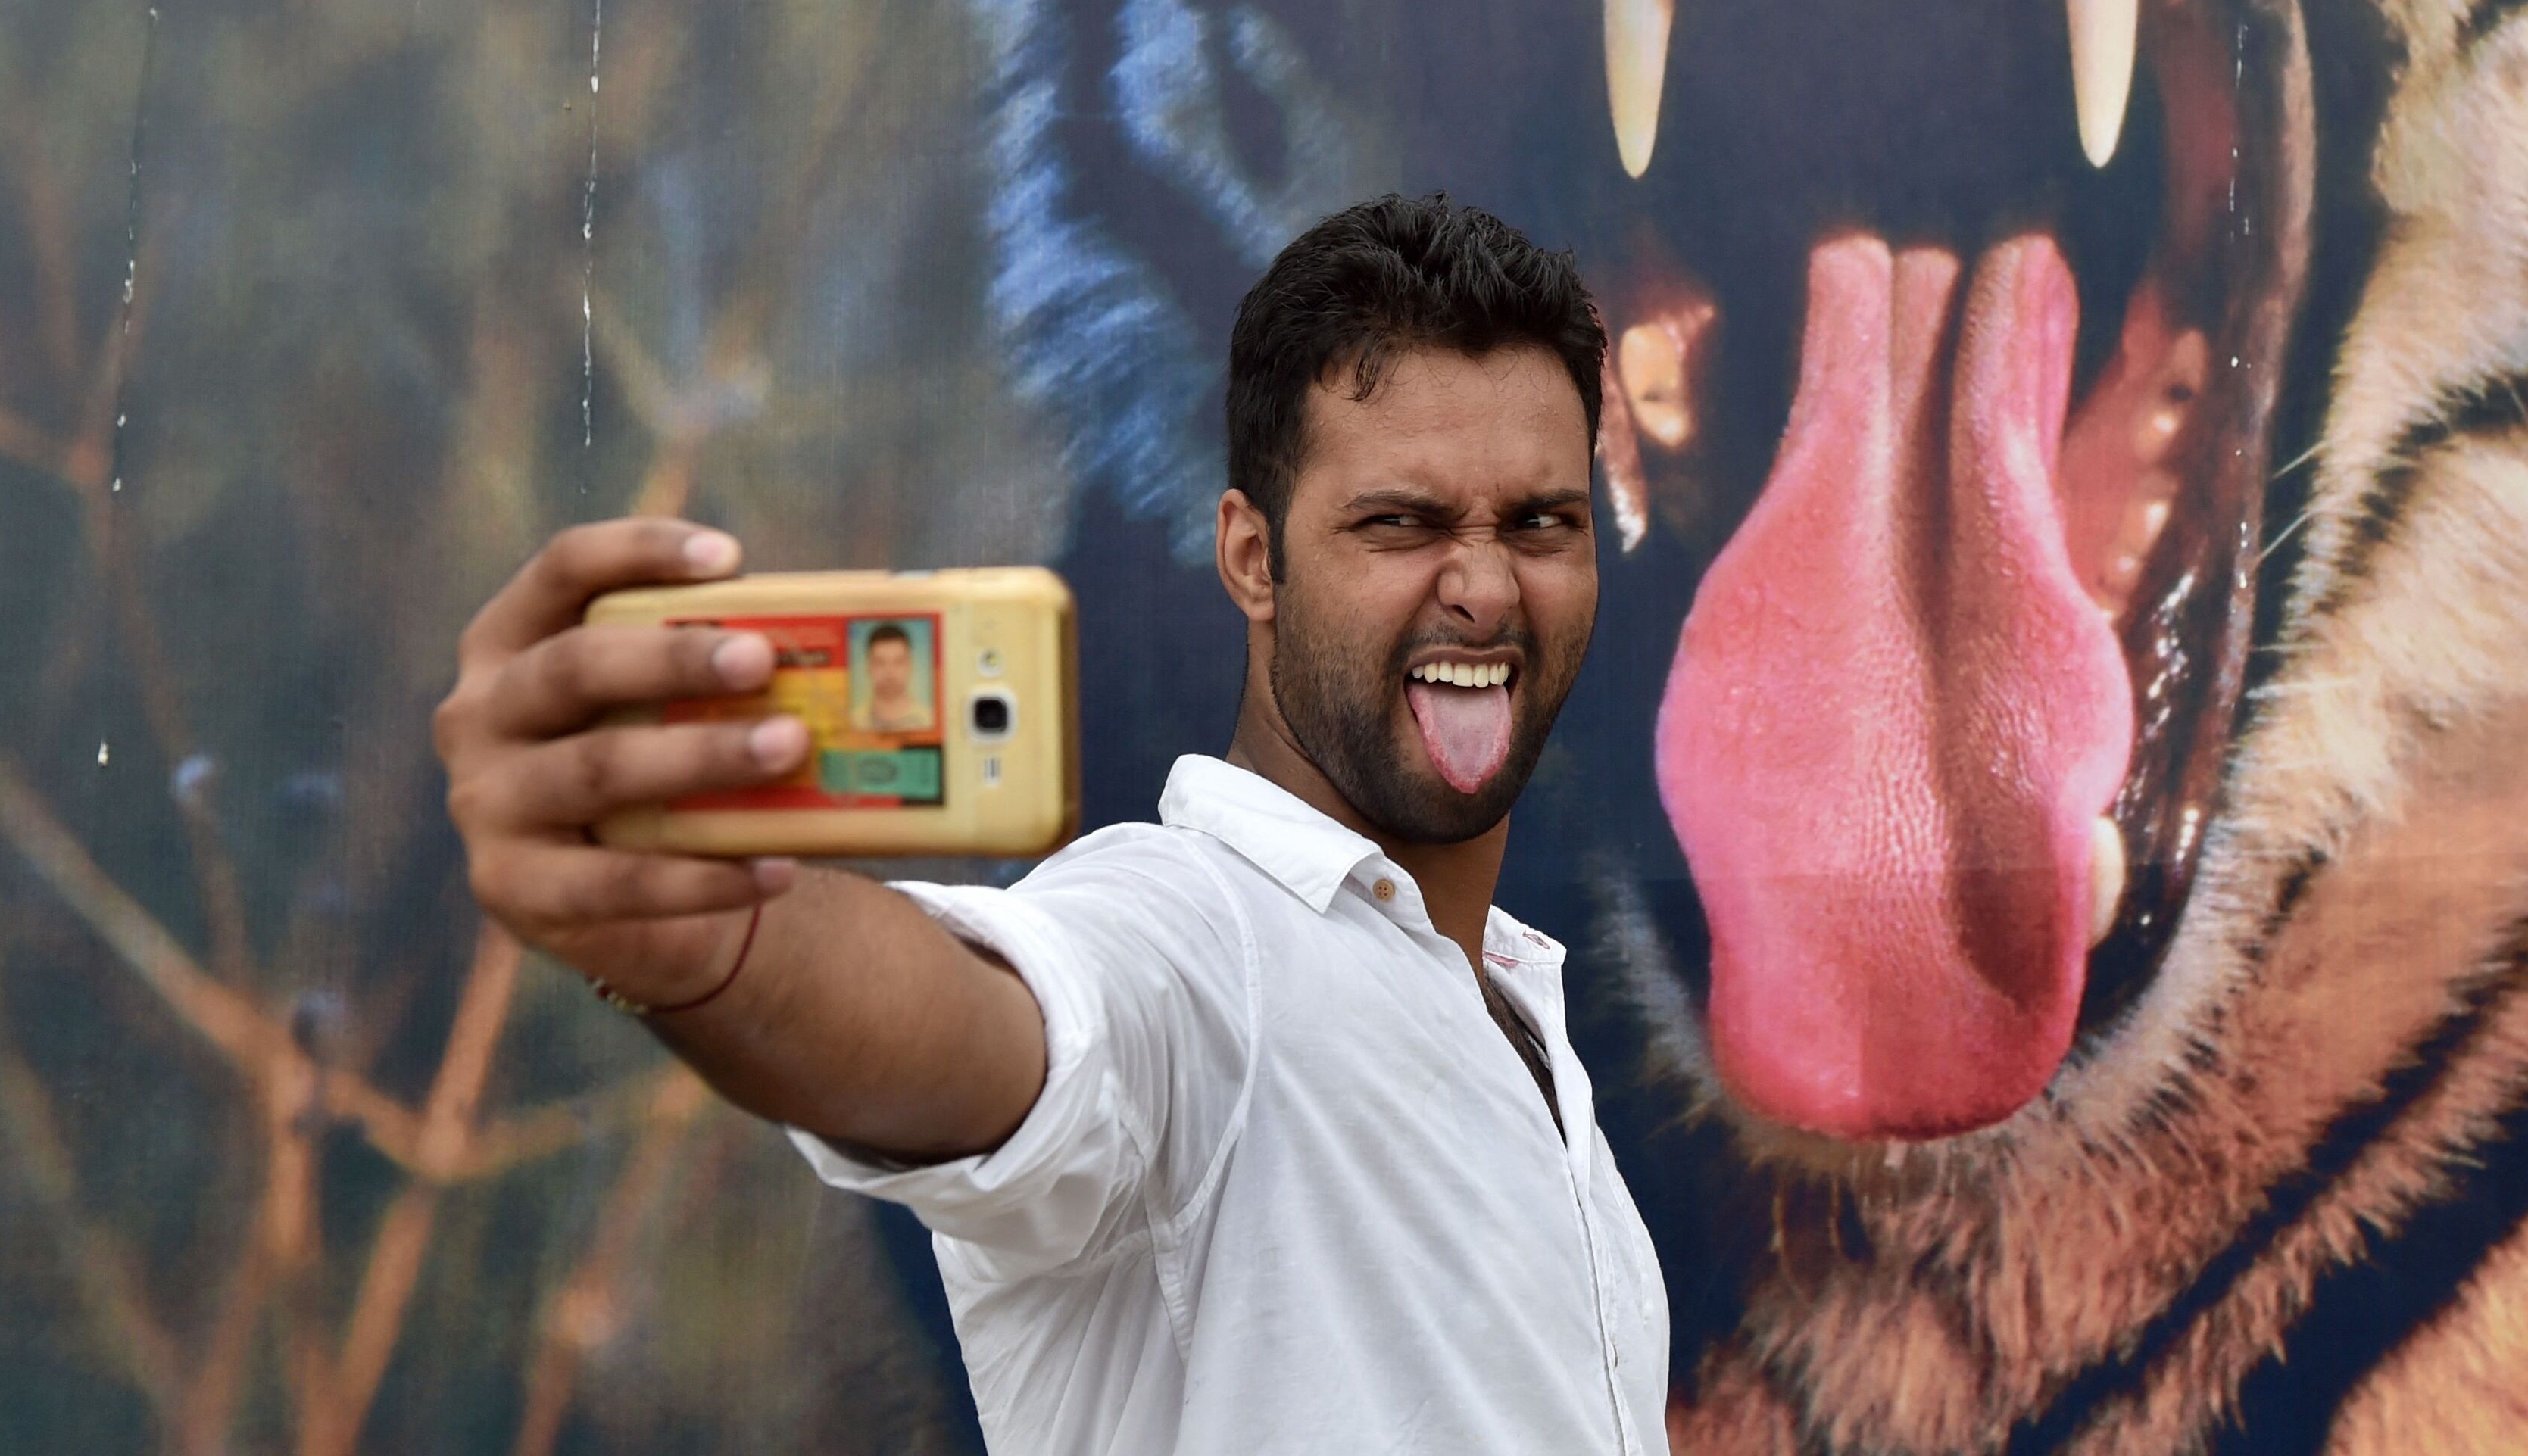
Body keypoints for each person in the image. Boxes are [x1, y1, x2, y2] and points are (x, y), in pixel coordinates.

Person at [433, 195, 1668, 1453]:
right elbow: (1004, 1037)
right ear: (1250, 558)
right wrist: (725, 949)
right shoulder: (1198, 947)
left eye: (1539, 524)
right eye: (1396, 523)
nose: (1480, 583)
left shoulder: (1529, 1021)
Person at [851, 619, 932, 734]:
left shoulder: (928, 720)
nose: (890, 672)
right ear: (868, 666)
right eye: (880, 662)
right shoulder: (854, 722)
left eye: (898, 662)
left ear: (910, 665)